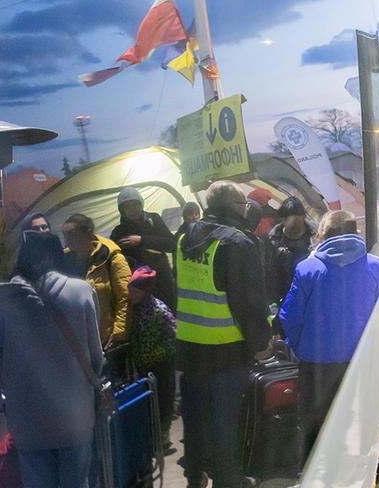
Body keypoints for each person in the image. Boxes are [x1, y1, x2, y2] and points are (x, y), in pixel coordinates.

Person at [176, 181, 275, 488]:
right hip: (226, 350)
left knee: (194, 419)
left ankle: (195, 475)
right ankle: (228, 479)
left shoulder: (183, 236)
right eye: (244, 205)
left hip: (190, 348)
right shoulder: (237, 243)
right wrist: (261, 345)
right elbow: (248, 303)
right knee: (225, 422)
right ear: (234, 207)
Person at [0, 231, 103, 488]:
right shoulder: (81, 291)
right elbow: (96, 355)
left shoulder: (2, 302)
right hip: (75, 413)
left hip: (27, 417)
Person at [278, 210, 379, 460]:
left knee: (314, 426)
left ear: (322, 235)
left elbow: (289, 316)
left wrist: (297, 347)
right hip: (361, 362)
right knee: (357, 424)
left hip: (316, 364)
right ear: (356, 232)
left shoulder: (307, 268)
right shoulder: (378, 266)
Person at [62, 213, 133, 352]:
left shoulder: (111, 257)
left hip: (105, 339)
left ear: (87, 233)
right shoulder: (64, 260)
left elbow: (125, 297)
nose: (67, 240)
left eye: (71, 234)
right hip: (76, 341)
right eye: (65, 235)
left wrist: (118, 333)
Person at [126, 266, 177, 450]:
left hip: (161, 364)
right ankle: (151, 437)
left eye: (135, 291)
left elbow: (173, 337)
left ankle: (163, 435)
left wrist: (158, 353)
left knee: (163, 400)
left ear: (145, 291)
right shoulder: (132, 311)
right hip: (142, 365)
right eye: (130, 290)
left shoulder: (159, 310)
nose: (131, 294)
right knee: (148, 403)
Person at [111, 188, 178, 309]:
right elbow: (115, 259)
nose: (133, 210)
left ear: (141, 204)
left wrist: (142, 240)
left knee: (169, 319)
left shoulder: (154, 220)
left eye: (135, 204)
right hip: (138, 287)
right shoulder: (119, 232)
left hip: (162, 281)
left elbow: (172, 244)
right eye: (128, 207)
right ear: (122, 210)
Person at [266, 196, 315, 308]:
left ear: (303, 217)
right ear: (283, 220)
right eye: (292, 223)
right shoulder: (272, 240)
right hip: (283, 299)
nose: (296, 227)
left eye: (299, 220)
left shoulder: (315, 237)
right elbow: (268, 274)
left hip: (310, 298)